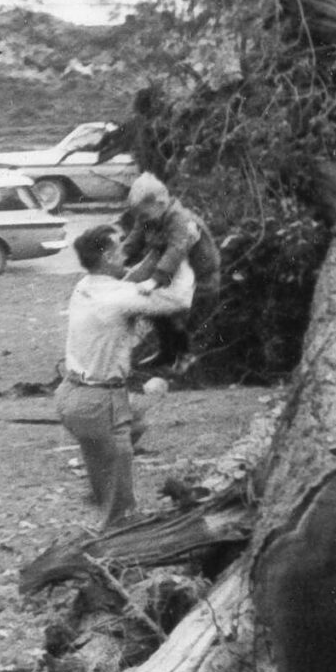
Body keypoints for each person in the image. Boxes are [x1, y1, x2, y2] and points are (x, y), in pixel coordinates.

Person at [55, 225, 195, 528]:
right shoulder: (116, 299)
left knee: (136, 425)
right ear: (106, 255)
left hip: (72, 396)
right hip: (99, 401)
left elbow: (131, 280)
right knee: (119, 509)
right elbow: (179, 300)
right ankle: (115, 529)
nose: (126, 251)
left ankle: (104, 497)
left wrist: (159, 255)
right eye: (120, 247)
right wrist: (181, 255)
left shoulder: (87, 286)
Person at [121, 171, 221, 369]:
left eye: (144, 215)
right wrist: (119, 258)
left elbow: (176, 250)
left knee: (185, 321)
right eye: (139, 216)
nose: (142, 220)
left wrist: (154, 279)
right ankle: (167, 353)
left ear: (161, 203)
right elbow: (134, 239)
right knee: (159, 313)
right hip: (175, 277)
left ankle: (186, 358)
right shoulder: (148, 217)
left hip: (201, 278)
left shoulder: (180, 220)